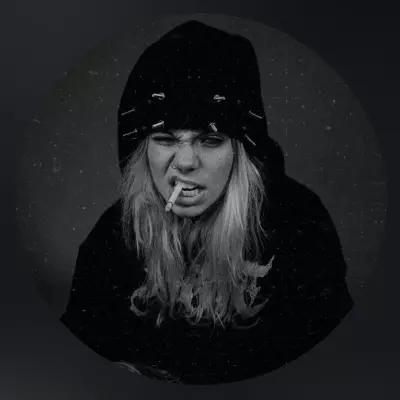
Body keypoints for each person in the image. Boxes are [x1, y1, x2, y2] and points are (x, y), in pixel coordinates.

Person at [60, 20, 353, 385]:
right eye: (165, 139)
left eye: (210, 140)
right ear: (142, 150)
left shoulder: (299, 225)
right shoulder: (114, 234)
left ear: (240, 151)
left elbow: (336, 367)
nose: (185, 162)